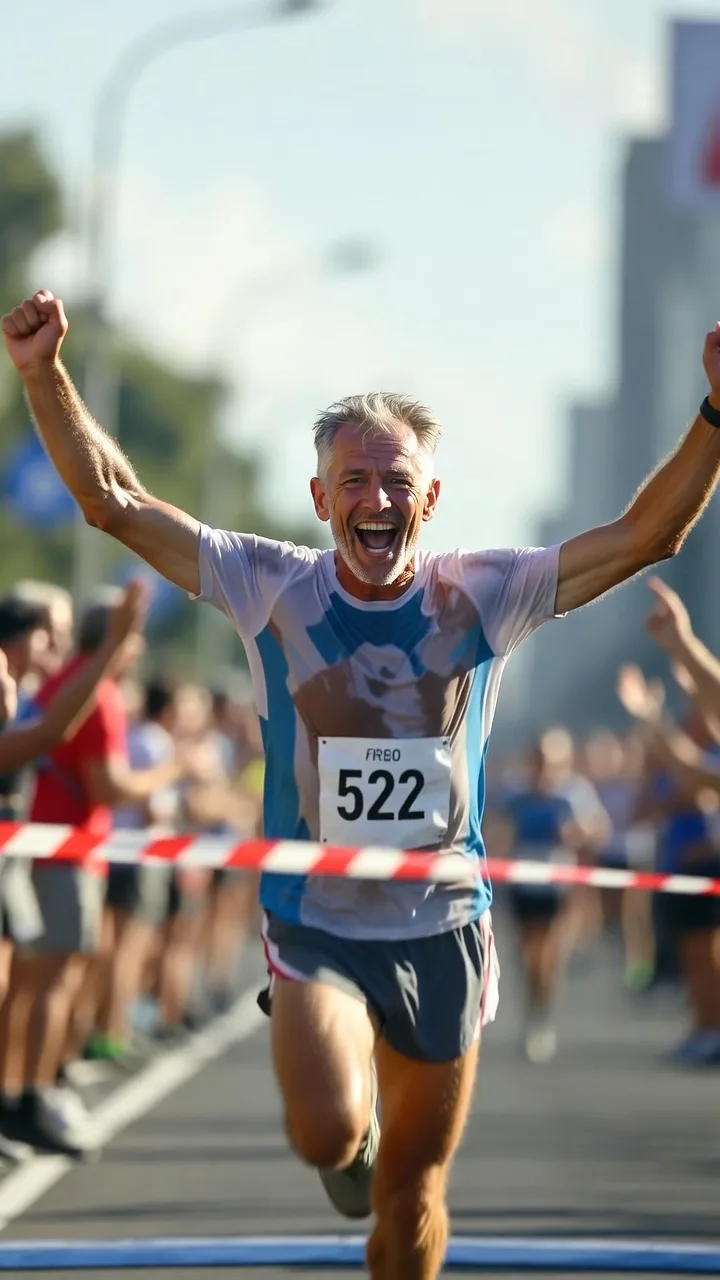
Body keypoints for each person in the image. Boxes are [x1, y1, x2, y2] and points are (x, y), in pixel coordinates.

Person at [4, 291, 720, 1279]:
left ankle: (387, 1186)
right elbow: (113, 503)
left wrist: (714, 417)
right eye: (354, 480)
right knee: (328, 1130)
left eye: (395, 481)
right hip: (317, 919)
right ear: (319, 497)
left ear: (429, 498)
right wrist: (43, 374)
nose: (375, 499)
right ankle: (353, 1149)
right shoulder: (276, 587)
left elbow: (647, 535)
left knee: (413, 1197)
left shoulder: (484, 592)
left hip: (444, 919)